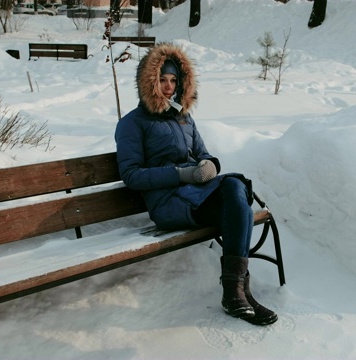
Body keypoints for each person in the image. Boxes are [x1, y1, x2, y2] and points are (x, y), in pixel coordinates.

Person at [114, 43, 278, 326]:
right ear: (148, 82)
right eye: (162, 80)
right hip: (168, 204)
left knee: (235, 188)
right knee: (237, 206)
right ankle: (238, 293)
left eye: (173, 80)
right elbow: (132, 175)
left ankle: (237, 292)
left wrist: (211, 165)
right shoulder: (133, 123)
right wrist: (181, 174)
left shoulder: (184, 117)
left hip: (195, 195)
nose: (168, 87)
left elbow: (203, 154)